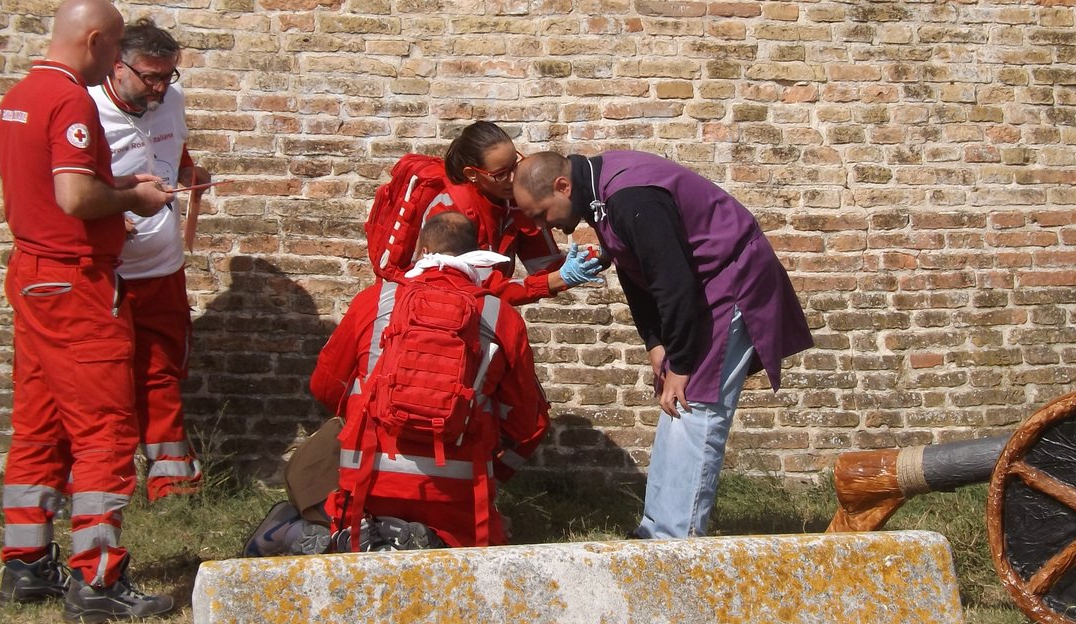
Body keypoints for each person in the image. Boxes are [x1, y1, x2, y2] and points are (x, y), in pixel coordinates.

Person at [0, 0, 177, 622]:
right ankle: (97, 578)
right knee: (104, 428)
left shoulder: (18, 95)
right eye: (114, 44)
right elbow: (74, 195)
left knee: (39, 422)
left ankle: (26, 563)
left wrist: (120, 191)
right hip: (75, 281)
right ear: (97, 40)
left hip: (33, 273)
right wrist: (135, 199)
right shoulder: (70, 98)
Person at [513, 150, 813, 539]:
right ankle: (655, 530)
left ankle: (675, 541)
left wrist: (683, 364)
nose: (543, 227)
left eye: (540, 213)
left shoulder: (630, 196)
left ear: (562, 186)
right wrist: (656, 343)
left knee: (695, 405)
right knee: (674, 407)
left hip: (728, 282)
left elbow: (672, 283)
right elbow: (637, 268)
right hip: (698, 289)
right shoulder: (599, 190)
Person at [310, 212, 550, 550]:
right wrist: (493, 467)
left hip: (368, 483)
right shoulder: (501, 316)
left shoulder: (373, 302)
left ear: (422, 249)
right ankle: (434, 540)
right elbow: (528, 423)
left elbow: (325, 386)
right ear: (473, 254)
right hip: (458, 494)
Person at [88, 17, 208, 501]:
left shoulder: (169, 100)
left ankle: (172, 484)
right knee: (105, 380)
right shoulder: (85, 108)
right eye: (149, 77)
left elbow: (173, 152)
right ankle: (103, 487)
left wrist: (190, 172)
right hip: (107, 273)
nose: (159, 89)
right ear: (117, 67)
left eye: (167, 76)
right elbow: (68, 189)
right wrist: (111, 216)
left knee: (162, 371)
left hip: (163, 265)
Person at [367, 120, 605, 300]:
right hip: (432, 312)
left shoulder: (514, 200)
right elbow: (476, 288)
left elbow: (546, 265)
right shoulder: (448, 213)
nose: (513, 178)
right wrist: (556, 280)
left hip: (481, 311)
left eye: (516, 164)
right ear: (472, 174)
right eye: (501, 174)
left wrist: (601, 256)